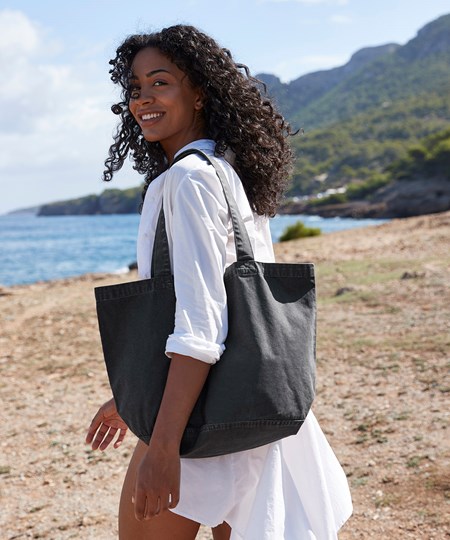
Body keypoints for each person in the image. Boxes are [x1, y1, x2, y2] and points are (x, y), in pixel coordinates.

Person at [86, 24, 352, 540]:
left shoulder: (186, 180)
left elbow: (201, 323)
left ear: (199, 93)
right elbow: (228, 301)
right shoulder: (225, 172)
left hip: (196, 420)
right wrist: (131, 395)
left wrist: (163, 447)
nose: (143, 99)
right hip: (247, 406)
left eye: (160, 82)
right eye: (136, 88)